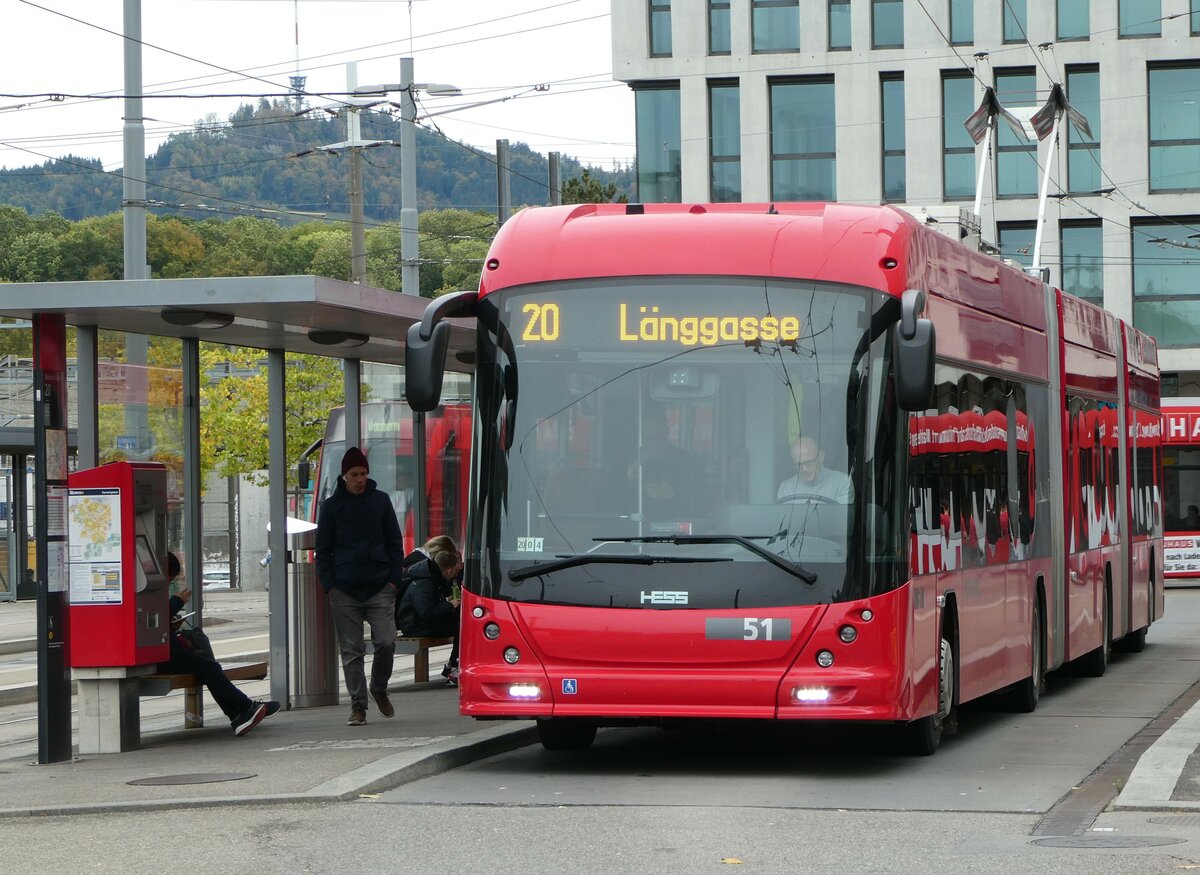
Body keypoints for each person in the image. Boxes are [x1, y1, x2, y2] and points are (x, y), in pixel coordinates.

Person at [315, 446, 406, 726]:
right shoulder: (330, 508)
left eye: (364, 473)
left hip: (380, 586)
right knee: (351, 651)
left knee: (387, 642)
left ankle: (379, 687)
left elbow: (394, 542)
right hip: (344, 590)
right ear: (344, 476)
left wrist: (393, 581)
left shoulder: (380, 501)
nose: (360, 479)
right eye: (355, 474)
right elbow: (323, 550)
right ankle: (358, 707)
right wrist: (330, 585)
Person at [162, 552, 279, 737]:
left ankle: (240, 712)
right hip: (159, 654)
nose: (169, 583)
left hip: (164, 650)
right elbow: (154, 619)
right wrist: (176, 602)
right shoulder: (145, 590)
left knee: (208, 665)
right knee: (209, 666)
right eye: (169, 579)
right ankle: (244, 709)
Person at [395, 538, 463, 686]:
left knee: (462, 621)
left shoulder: (431, 577)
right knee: (462, 624)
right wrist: (449, 605)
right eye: (455, 571)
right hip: (415, 626)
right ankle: (454, 665)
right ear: (449, 570)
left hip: (420, 622)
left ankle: (455, 664)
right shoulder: (423, 582)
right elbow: (426, 612)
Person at [627, 411, 708, 522]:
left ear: (667, 432)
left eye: (659, 438)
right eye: (648, 439)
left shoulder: (689, 462)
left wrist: (672, 495)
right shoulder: (632, 464)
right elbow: (618, 508)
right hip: (637, 532)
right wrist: (629, 481)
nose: (654, 444)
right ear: (639, 437)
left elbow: (702, 505)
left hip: (677, 533)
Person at [777, 435, 853, 504]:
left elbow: (841, 518)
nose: (804, 469)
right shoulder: (786, 488)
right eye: (798, 464)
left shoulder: (842, 483)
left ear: (821, 457)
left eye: (809, 463)